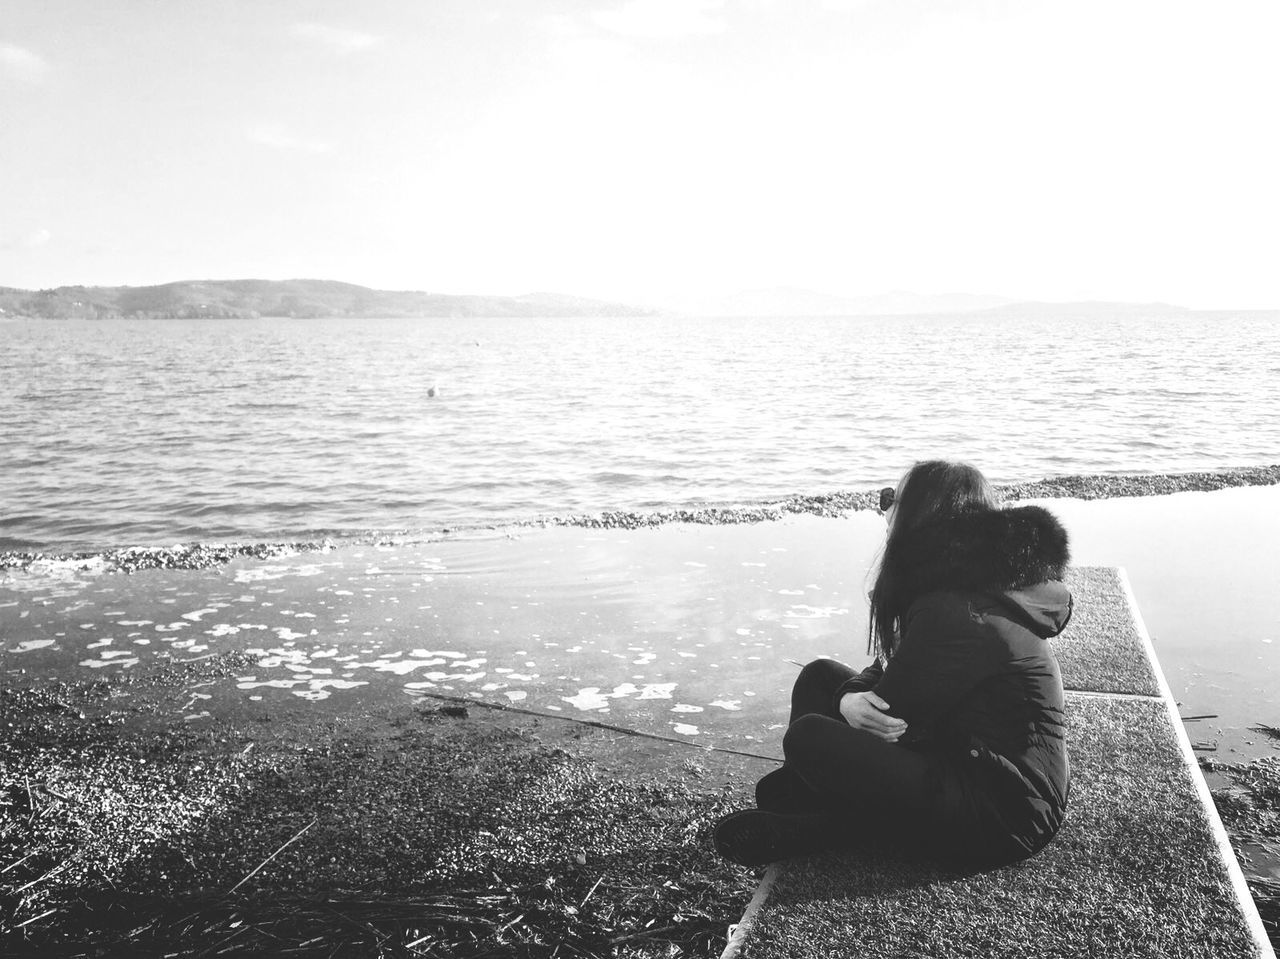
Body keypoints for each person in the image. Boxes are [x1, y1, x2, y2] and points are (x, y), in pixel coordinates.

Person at [713, 460, 1073, 869]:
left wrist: (848, 705)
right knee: (819, 677)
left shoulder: (962, 612)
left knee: (807, 738)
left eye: (891, 499)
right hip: (964, 759)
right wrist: (847, 694)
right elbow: (892, 668)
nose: (883, 510)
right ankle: (819, 812)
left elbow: (889, 713)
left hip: (1003, 812)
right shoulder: (961, 585)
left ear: (924, 514)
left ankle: (833, 824)